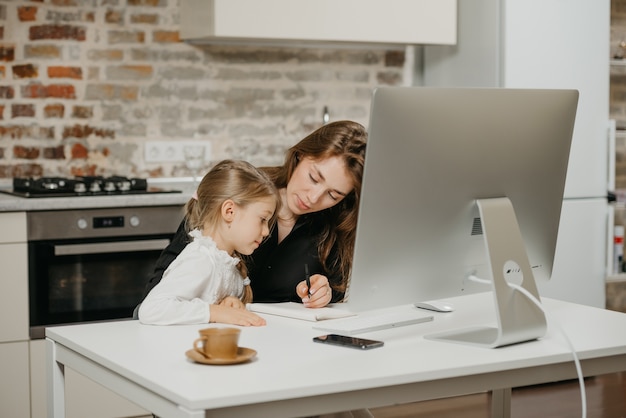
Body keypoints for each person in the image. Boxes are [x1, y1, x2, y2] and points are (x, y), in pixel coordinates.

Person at [140, 120, 367, 309]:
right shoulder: (238, 193)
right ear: (299, 156)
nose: (314, 197)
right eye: (314, 178)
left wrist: (321, 293)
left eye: (333, 195)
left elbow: (335, 294)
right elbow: (159, 291)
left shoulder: (336, 224)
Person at [138, 159, 280, 326]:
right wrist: (215, 311)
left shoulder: (227, 263)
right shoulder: (201, 259)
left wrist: (229, 303)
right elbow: (151, 309)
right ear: (229, 211)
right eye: (262, 220)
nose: (265, 232)